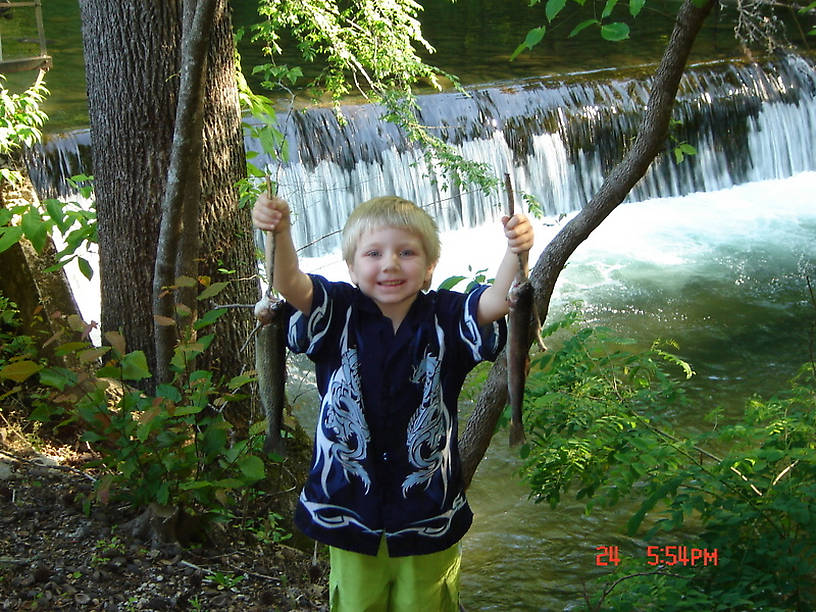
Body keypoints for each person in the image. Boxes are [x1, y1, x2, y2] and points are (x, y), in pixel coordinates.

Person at [252, 193, 534, 611]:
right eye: (373, 253)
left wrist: (516, 251)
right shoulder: (337, 312)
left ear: (429, 267)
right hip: (346, 507)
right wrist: (279, 231)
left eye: (407, 252)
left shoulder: (446, 317)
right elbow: (289, 280)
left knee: (427, 603)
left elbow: (496, 300)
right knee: (357, 603)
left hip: (428, 513)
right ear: (350, 267)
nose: (390, 264)